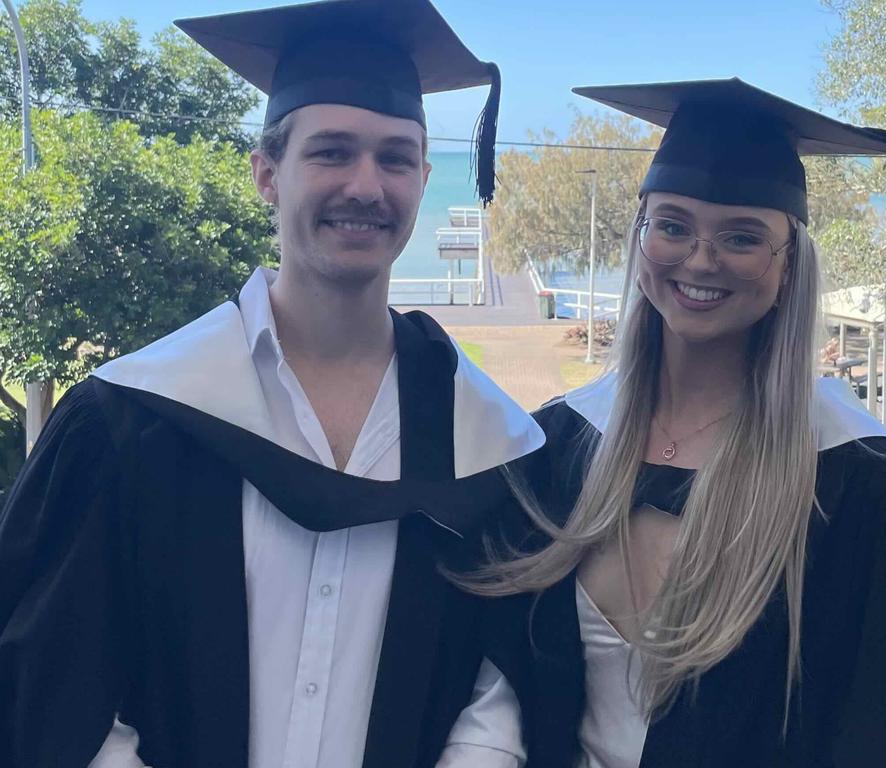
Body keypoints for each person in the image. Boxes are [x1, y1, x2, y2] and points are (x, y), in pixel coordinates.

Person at [0, 1, 538, 766]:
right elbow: (60, 673)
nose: (366, 185)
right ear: (266, 173)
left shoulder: (486, 441)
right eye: (332, 152)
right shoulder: (133, 417)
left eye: (394, 157)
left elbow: (501, 687)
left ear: (422, 178)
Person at [467, 79, 886, 767]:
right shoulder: (557, 448)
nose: (701, 259)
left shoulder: (858, 484)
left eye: (742, 237)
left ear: (789, 267)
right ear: (641, 237)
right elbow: (496, 686)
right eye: (672, 225)